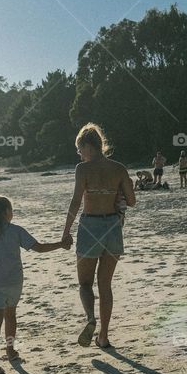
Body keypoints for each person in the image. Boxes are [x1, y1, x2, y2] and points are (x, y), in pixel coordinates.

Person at [0, 196, 69, 374]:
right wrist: (61, 244)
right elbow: (39, 248)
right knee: (11, 316)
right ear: (5, 213)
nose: (12, 213)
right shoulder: (16, 231)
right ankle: (10, 351)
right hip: (14, 282)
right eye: (11, 210)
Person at [62, 123, 136, 349]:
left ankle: (90, 319)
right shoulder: (119, 168)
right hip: (113, 226)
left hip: (90, 226)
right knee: (105, 285)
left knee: (85, 283)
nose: (79, 154)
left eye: (79, 149)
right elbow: (131, 201)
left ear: (87, 146)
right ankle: (103, 336)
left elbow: (76, 202)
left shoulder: (82, 170)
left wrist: (66, 232)